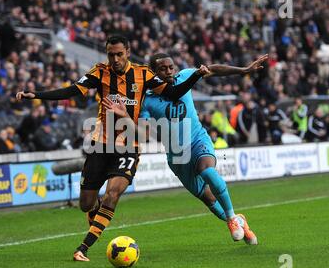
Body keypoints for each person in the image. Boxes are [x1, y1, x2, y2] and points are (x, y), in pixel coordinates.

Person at [15, 35, 211, 261]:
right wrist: (36, 95)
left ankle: (83, 248)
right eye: (111, 55)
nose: (115, 59)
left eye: (119, 54)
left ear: (127, 51)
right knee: (86, 204)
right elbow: (71, 90)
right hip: (100, 145)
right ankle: (96, 220)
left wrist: (196, 75)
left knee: (112, 194)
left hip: (129, 145)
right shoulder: (99, 72)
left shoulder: (143, 74)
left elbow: (173, 92)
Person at [104, 53, 268, 244]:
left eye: (171, 67)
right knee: (209, 200)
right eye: (163, 69)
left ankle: (232, 218)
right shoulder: (146, 100)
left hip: (198, 140)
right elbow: (143, 133)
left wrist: (244, 69)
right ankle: (240, 222)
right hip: (177, 156)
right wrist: (125, 116)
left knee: (206, 170)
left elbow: (213, 69)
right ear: (153, 73)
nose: (169, 71)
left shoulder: (184, 76)